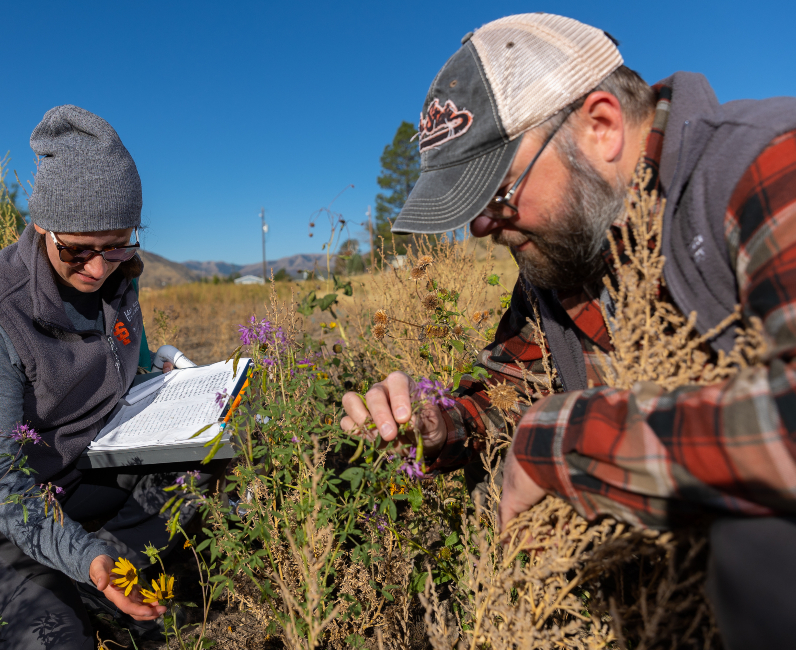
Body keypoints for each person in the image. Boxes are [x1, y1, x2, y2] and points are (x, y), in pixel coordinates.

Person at [340, 13, 796, 648]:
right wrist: (441, 418)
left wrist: (564, 444)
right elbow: (507, 388)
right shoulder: (569, 252)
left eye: (497, 192)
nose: (482, 228)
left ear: (602, 126)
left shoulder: (768, 164)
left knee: (764, 550)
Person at [0, 105, 213, 648]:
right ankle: (1, 606)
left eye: (116, 246)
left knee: (209, 479)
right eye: (78, 250)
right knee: (58, 638)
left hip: (72, 479)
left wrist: (154, 379)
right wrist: (88, 556)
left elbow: (112, 367)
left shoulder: (119, 277)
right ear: (41, 225)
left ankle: (74, 582)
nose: (97, 269)